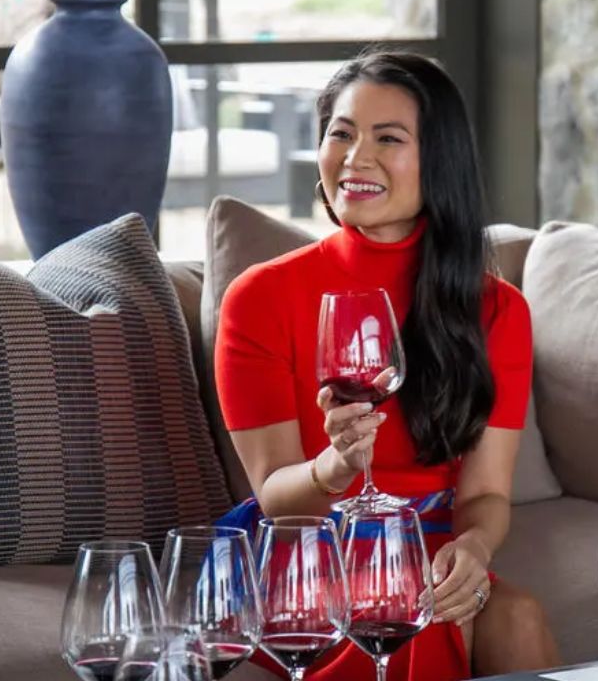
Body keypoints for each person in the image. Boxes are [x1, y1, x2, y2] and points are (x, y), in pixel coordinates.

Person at [214, 51, 561, 680]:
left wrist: (474, 551)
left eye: (388, 138)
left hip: (426, 550)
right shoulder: (259, 297)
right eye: (341, 133)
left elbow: (484, 492)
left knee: (520, 618)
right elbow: (277, 499)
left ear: (439, 162)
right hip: (309, 551)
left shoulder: (496, 309)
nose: (355, 157)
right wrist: (336, 464)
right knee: (401, 627)